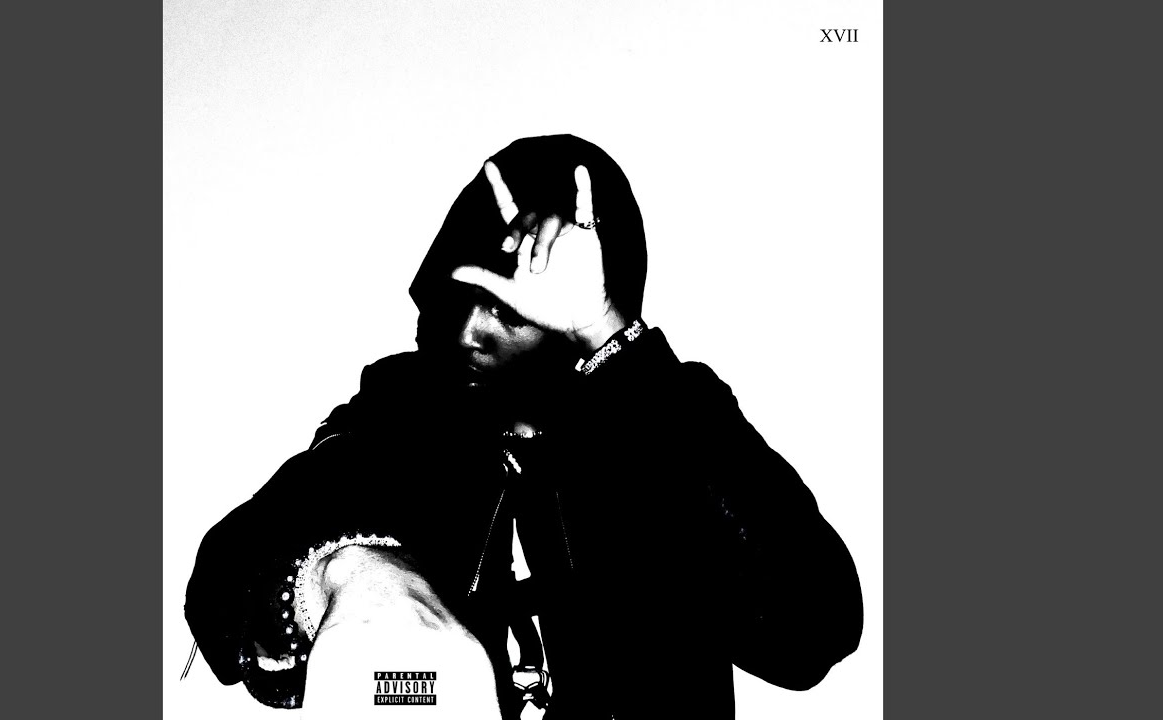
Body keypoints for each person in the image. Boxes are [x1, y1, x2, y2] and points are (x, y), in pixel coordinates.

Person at [183, 134, 863, 719]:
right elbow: (232, 570)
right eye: (457, 298)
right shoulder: (399, 413)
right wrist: (346, 570)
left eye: (507, 310)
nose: (467, 332)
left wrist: (610, 336)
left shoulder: (667, 422)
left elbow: (811, 631)